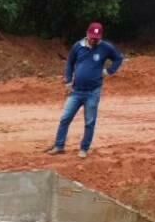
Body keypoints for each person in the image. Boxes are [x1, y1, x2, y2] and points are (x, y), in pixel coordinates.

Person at [47, 22, 124, 158]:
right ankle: (59, 145)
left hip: (93, 92)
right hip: (76, 91)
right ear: (87, 34)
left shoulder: (105, 47)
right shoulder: (78, 46)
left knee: (89, 121)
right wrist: (68, 80)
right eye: (92, 37)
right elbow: (70, 63)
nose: (94, 40)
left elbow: (118, 58)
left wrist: (109, 71)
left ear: (100, 36)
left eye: (97, 38)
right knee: (65, 118)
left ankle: (84, 148)